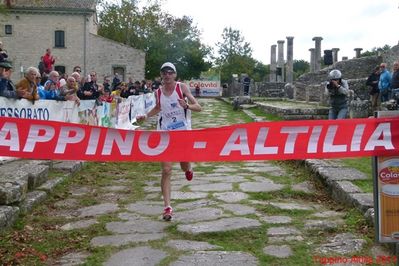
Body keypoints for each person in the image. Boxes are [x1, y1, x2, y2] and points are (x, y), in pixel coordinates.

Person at [136, 62, 202, 221]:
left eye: (170, 72)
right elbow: (158, 107)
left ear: (175, 75)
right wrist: (146, 116)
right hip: (165, 133)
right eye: (164, 73)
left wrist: (187, 105)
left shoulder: (182, 88)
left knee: (183, 163)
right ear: (161, 75)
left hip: (183, 133)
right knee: (166, 170)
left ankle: (188, 168)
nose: (167, 75)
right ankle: (167, 207)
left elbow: (198, 107)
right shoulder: (158, 92)